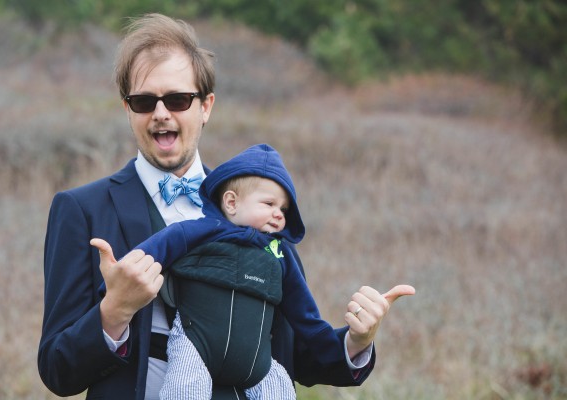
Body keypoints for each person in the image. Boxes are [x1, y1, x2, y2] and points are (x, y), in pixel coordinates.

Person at [37, 13, 415, 400]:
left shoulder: (256, 204)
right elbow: (57, 370)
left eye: (179, 99)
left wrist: (357, 341)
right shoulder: (81, 210)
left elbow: (294, 353)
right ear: (128, 109)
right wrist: (113, 311)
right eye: (144, 100)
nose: (162, 113)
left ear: (206, 106)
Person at [93, 143, 366, 400]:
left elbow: (304, 312)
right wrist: (115, 286)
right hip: (194, 342)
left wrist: (341, 346)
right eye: (269, 204)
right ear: (232, 203)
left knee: (279, 388)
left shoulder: (278, 253)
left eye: (283, 208)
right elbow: (156, 250)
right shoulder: (199, 231)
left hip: (257, 358)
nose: (279, 214)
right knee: (186, 385)